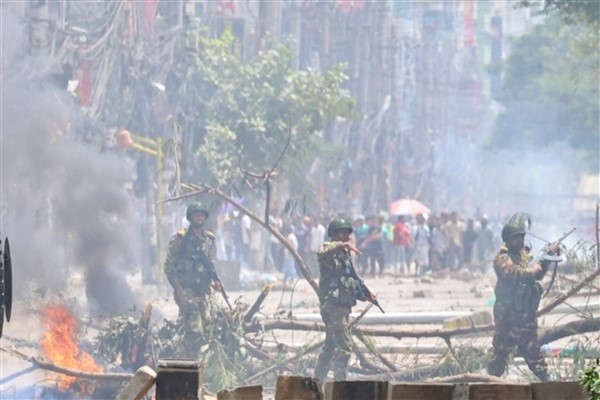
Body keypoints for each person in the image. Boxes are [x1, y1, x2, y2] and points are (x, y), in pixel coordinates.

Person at [487, 212, 559, 382]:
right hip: (508, 318)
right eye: (516, 238)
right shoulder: (502, 258)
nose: (519, 241)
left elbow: (537, 275)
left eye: (521, 237)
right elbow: (512, 272)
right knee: (499, 356)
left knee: (534, 353)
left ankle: (547, 384)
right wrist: (531, 270)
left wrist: (547, 258)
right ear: (508, 239)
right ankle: (489, 386)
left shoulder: (525, 255)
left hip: (526, 316)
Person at [314, 217, 377, 382]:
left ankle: (316, 381)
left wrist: (367, 294)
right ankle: (339, 385)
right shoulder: (328, 251)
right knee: (344, 347)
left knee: (330, 346)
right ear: (333, 235)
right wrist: (342, 245)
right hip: (333, 307)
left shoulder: (345, 256)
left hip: (342, 306)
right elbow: (322, 251)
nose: (345, 237)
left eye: (346, 234)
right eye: (341, 233)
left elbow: (352, 279)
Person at [164, 201, 222, 357]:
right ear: (190, 217)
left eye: (202, 214)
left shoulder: (208, 240)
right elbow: (169, 267)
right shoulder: (180, 239)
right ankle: (175, 360)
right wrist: (179, 290)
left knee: (205, 333)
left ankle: (191, 365)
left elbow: (209, 265)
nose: (199, 217)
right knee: (195, 331)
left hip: (203, 293)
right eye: (196, 214)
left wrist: (215, 281)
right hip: (186, 292)